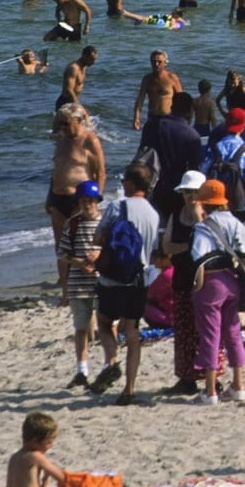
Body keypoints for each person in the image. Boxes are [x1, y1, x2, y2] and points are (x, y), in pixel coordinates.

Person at [94, 164, 161, 406]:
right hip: (140, 279)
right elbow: (152, 249)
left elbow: (98, 237)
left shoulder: (117, 206)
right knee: (132, 332)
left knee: (103, 321)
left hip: (113, 278)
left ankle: (111, 362)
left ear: (131, 184)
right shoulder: (153, 213)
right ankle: (129, 390)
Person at [189, 178, 245, 403]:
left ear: (205, 203)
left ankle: (209, 391)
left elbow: (199, 256)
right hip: (233, 281)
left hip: (211, 283)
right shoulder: (235, 222)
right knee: (233, 333)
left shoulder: (203, 226)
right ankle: (238, 386)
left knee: (210, 336)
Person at [56, 180, 105, 387]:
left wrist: (98, 255)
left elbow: (113, 248)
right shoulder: (73, 224)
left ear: (97, 201)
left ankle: (106, 366)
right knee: (81, 328)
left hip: (101, 282)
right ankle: (82, 370)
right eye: (83, 201)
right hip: (78, 284)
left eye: (91, 201)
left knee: (105, 326)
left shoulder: (105, 222)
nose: (87, 205)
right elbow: (63, 253)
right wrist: (79, 262)